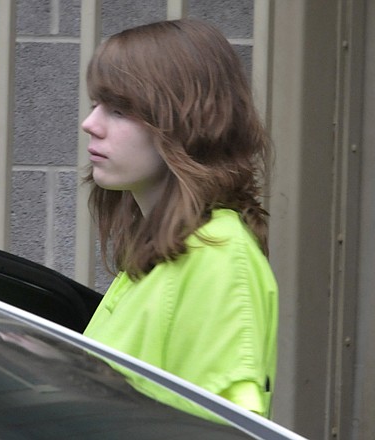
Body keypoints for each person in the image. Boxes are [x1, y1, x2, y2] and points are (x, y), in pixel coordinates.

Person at [80, 18, 278, 419]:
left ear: (188, 124)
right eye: (95, 105)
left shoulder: (218, 257)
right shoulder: (162, 250)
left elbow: (224, 427)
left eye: (119, 110)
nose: (91, 124)